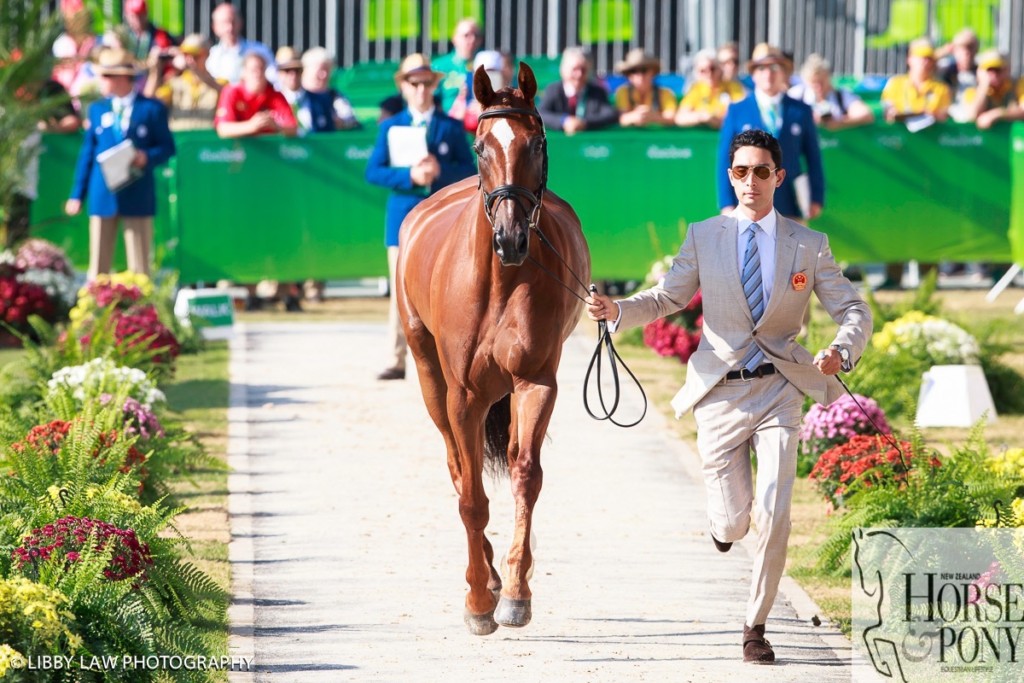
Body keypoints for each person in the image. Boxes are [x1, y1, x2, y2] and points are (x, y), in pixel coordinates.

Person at [585, 128, 872, 665]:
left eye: (762, 171)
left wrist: (840, 351)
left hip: (781, 389)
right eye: (740, 171)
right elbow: (669, 296)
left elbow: (854, 311)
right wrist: (618, 309)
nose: (750, 182)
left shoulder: (809, 244)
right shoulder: (704, 235)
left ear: (778, 178)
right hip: (719, 393)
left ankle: (755, 625)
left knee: (775, 510)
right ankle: (724, 528)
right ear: (730, 175)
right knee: (734, 522)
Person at [365, 54, 476, 381]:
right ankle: (396, 358)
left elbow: (470, 172)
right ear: (405, 87)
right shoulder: (391, 126)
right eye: (415, 83)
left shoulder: (451, 127)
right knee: (401, 291)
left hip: (445, 219)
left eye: (427, 83)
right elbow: (373, 171)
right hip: (404, 219)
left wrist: (440, 173)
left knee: (448, 290)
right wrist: (409, 176)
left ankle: (449, 359)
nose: (421, 90)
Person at [65, 48, 176, 280]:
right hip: (103, 190)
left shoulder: (151, 109)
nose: (101, 81)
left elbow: (167, 147)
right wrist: (77, 194)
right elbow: (88, 153)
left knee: (140, 262)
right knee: (99, 262)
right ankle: (95, 306)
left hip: (137, 189)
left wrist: (147, 157)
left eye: (107, 76)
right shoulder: (97, 109)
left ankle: (142, 310)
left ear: (124, 77)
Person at [718, 43, 824, 221]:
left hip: (791, 202)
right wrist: (726, 203)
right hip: (748, 202)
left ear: (784, 72)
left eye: (775, 68)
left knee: (793, 247)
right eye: (761, 68)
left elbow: (813, 156)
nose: (768, 74)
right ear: (753, 74)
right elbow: (724, 159)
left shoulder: (801, 111)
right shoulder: (738, 110)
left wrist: (816, 198)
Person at [9, 78, 80, 247]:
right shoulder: (8, 86)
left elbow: (73, 121)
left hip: (29, 175)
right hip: (10, 171)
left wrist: (47, 129)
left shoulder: (51, 89)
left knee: (20, 215)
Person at [147, 33, 222, 131]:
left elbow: (223, 92)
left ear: (207, 54)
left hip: (207, 143)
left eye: (195, 56)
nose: (190, 59)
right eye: (186, 55)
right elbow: (148, 103)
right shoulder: (174, 83)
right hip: (181, 143)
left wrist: (195, 70)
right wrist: (155, 71)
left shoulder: (219, 83)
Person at [214, 51, 297, 138]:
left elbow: (293, 128)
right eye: (253, 70)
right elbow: (223, 128)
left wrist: (277, 127)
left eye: (261, 69)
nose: (258, 74)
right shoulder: (231, 92)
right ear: (244, 72)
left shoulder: (275, 96)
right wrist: (251, 126)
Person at [538, 47, 618, 135]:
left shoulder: (597, 91)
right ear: (564, 70)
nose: (579, 74)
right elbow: (541, 113)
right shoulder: (553, 89)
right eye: (575, 69)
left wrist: (583, 123)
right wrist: (564, 121)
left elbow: (609, 114)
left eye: (583, 70)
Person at [788, 53, 875, 130]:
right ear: (806, 81)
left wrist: (840, 122)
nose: (819, 87)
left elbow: (866, 115)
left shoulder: (841, 95)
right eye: (814, 83)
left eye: (822, 82)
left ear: (829, 78)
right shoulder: (797, 94)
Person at [880, 37, 952, 125]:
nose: (925, 62)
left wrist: (935, 115)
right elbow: (886, 111)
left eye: (929, 58)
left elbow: (944, 117)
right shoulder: (895, 84)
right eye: (921, 56)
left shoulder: (941, 89)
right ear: (909, 59)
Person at [206, 2, 275, 85]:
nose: (230, 27)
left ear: (241, 22)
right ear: (214, 27)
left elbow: (273, 79)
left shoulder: (261, 51)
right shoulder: (211, 56)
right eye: (225, 22)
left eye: (233, 22)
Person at [675, 48, 745, 129]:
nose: (708, 74)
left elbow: (741, 116)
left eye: (712, 69)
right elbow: (679, 118)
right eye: (703, 71)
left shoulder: (733, 87)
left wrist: (713, 120)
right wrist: (702, 117)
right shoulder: (696, 89)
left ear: (719, 69)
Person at [300, 47, 359, 132]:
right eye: (320, 70)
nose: (324, 75)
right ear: (305, 70)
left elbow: (351, 120)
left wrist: (342, 123)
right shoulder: (297, 97)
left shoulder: (336, 97)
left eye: (328, 70)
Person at [613, 48, 676, 127]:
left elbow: (672, 118)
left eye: (644, 70)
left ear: (653, 72)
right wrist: (635, 116)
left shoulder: (665, 93)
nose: (639, 76)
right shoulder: (623, 92)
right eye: (633, 71)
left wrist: (653, 117)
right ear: (628, 75)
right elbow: (621, 118)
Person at [431, 17, 482, 113]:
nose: (472, 39)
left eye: (476, 35)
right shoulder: (439, 66)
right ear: (454, 38)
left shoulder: (487, 64)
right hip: (448, 122)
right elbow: (432, 100)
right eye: (466, 35)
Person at [966, 49, 1024, 129]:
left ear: (1007, 70)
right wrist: (984, 86)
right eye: (989, 70)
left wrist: (998, 114)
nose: (994, 75)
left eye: (998, 70)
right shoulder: (973, 91)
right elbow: (972, 116)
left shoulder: (1018, 84)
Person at [935, 28, 979, 122]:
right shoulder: (946, 69)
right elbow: (923, 64)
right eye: (962, 48)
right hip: (948, 118)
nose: (967, 53)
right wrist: (944, 50)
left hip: (970, 118)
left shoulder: (981, 72)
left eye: (971, 48)